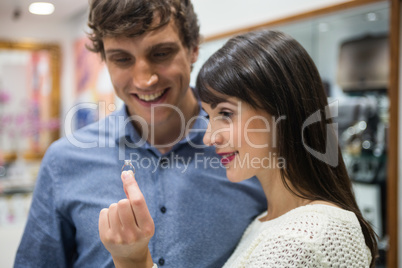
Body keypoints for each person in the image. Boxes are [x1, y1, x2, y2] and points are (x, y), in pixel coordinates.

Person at [14, 0, 266, 267]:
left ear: (193, 50)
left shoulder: (249, 145)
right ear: (105, 61)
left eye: (161, 54)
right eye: (122, 59)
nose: (145, 80)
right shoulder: (63, 161)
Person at [100, 30, 378, 267]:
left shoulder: (313, 235)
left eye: (226, 114)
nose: (210, 138)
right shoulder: (266, 222)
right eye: (209, 116)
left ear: (282, 112)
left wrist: (134, 261)